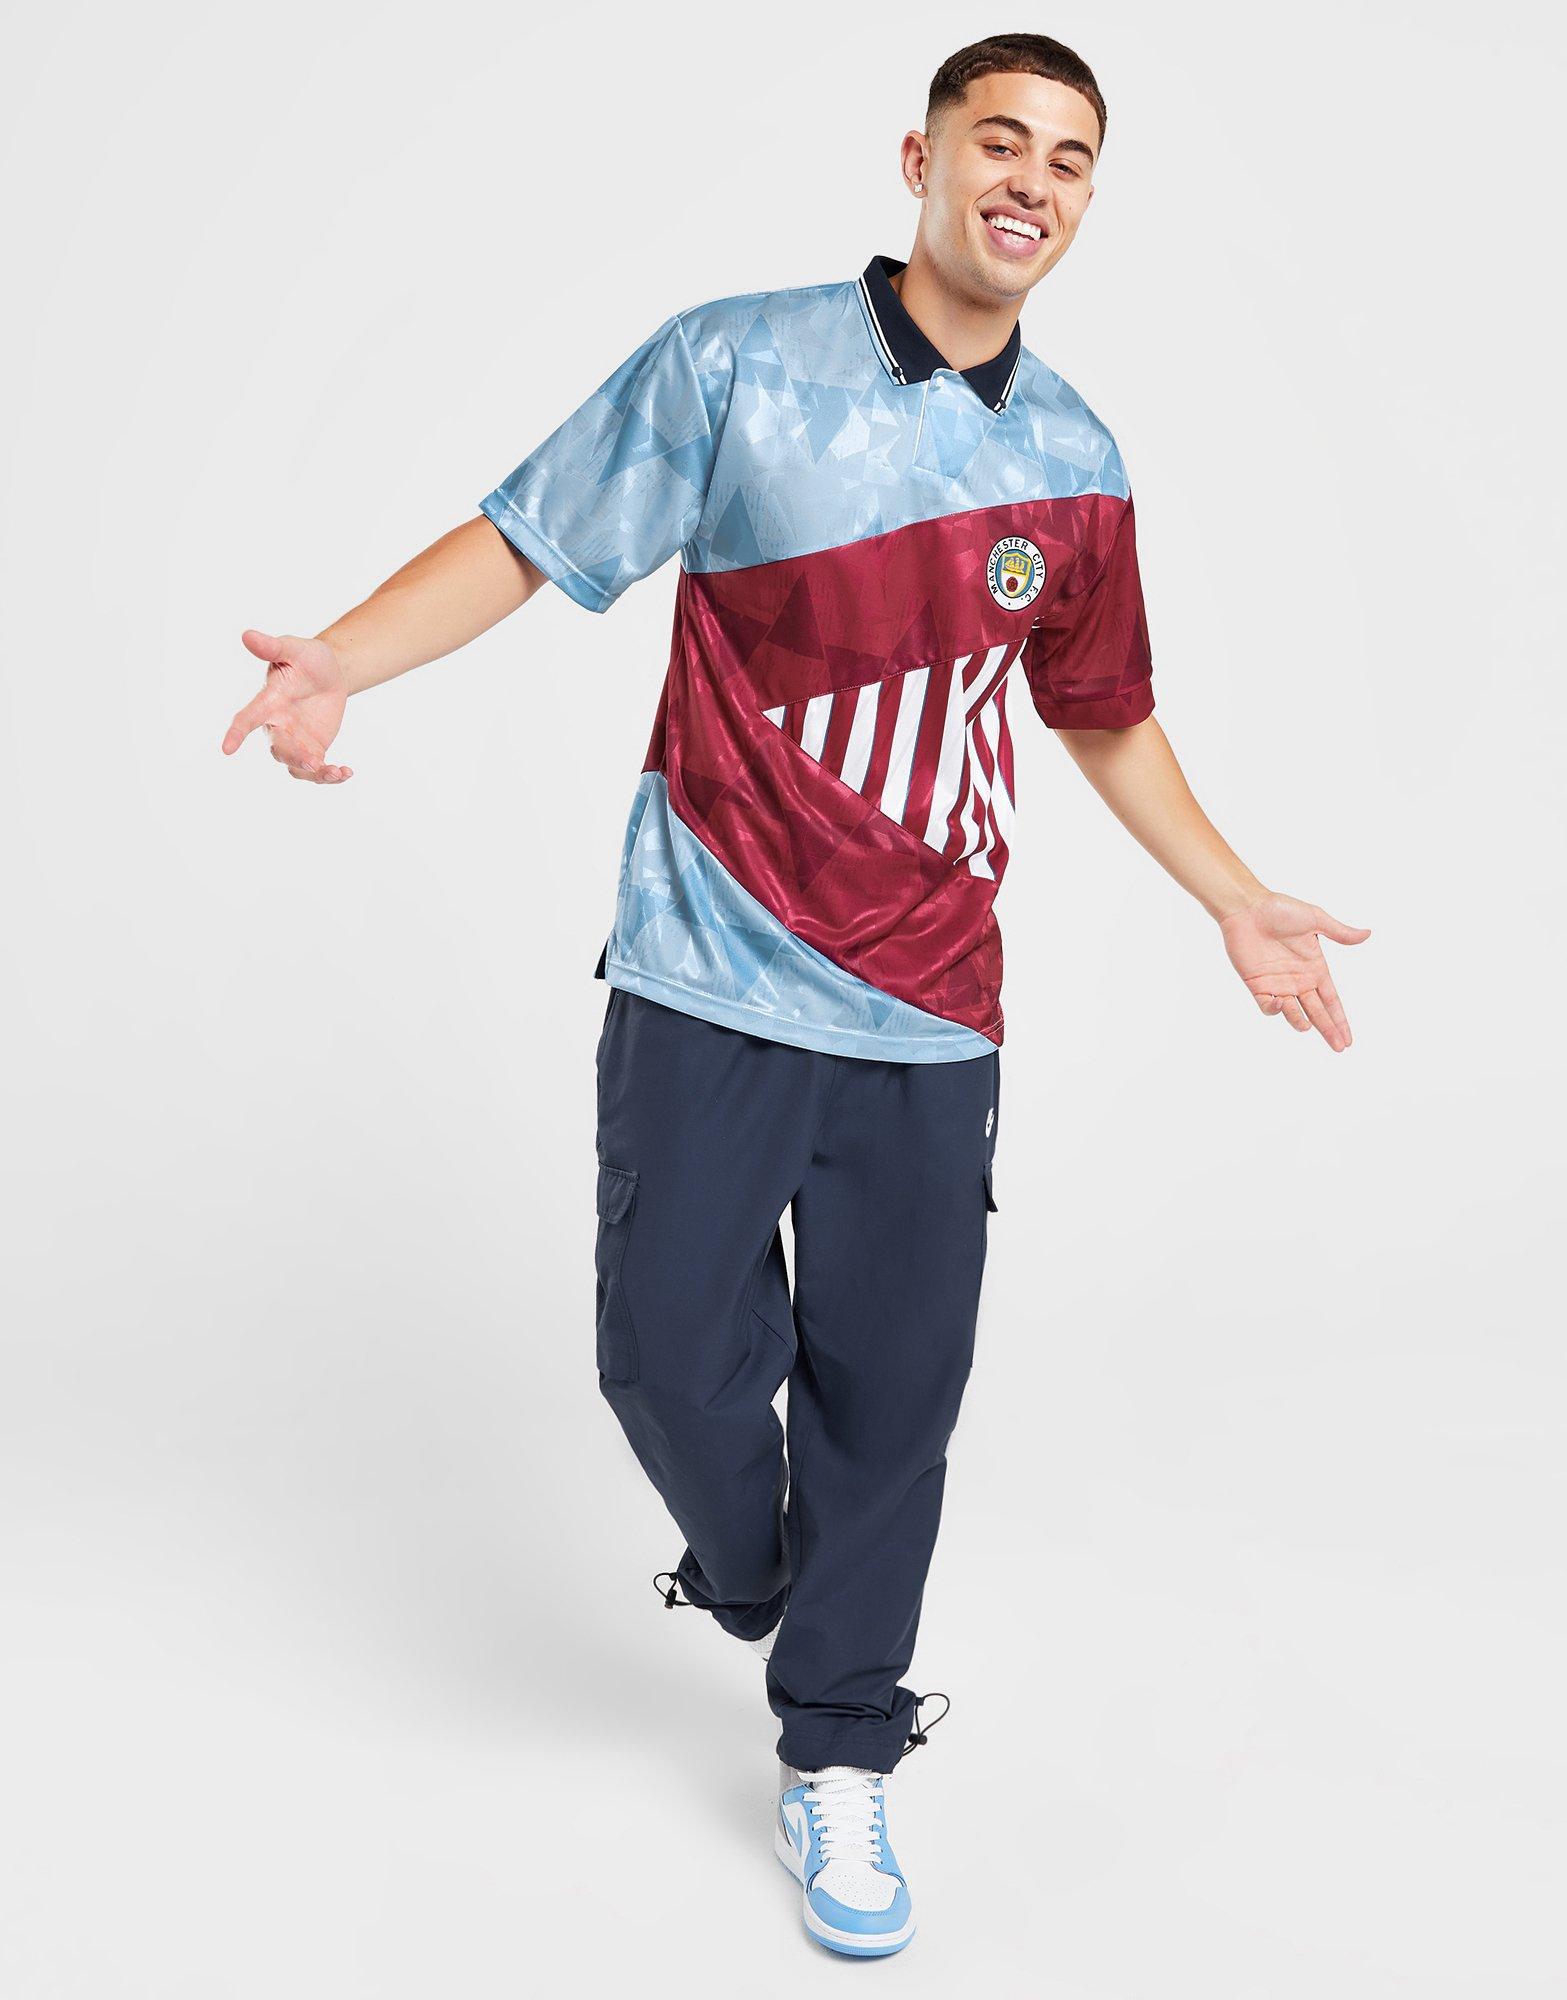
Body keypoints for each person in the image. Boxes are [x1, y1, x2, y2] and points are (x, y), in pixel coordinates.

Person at [221, 32, 1369, 1960]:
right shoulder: (736, 364)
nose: (1031, 179)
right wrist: (343, 654)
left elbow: (1101, 714)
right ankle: (757, 1573)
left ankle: (840, 1745)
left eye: (1070, 158)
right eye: (1000, 139)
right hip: (709, 965)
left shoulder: (1076, 460)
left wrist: (1233, 896)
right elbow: (530, 540)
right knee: (664, 1356)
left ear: (1088, 199)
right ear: (919, 159)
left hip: (931, 1008)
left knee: (893, 1400)